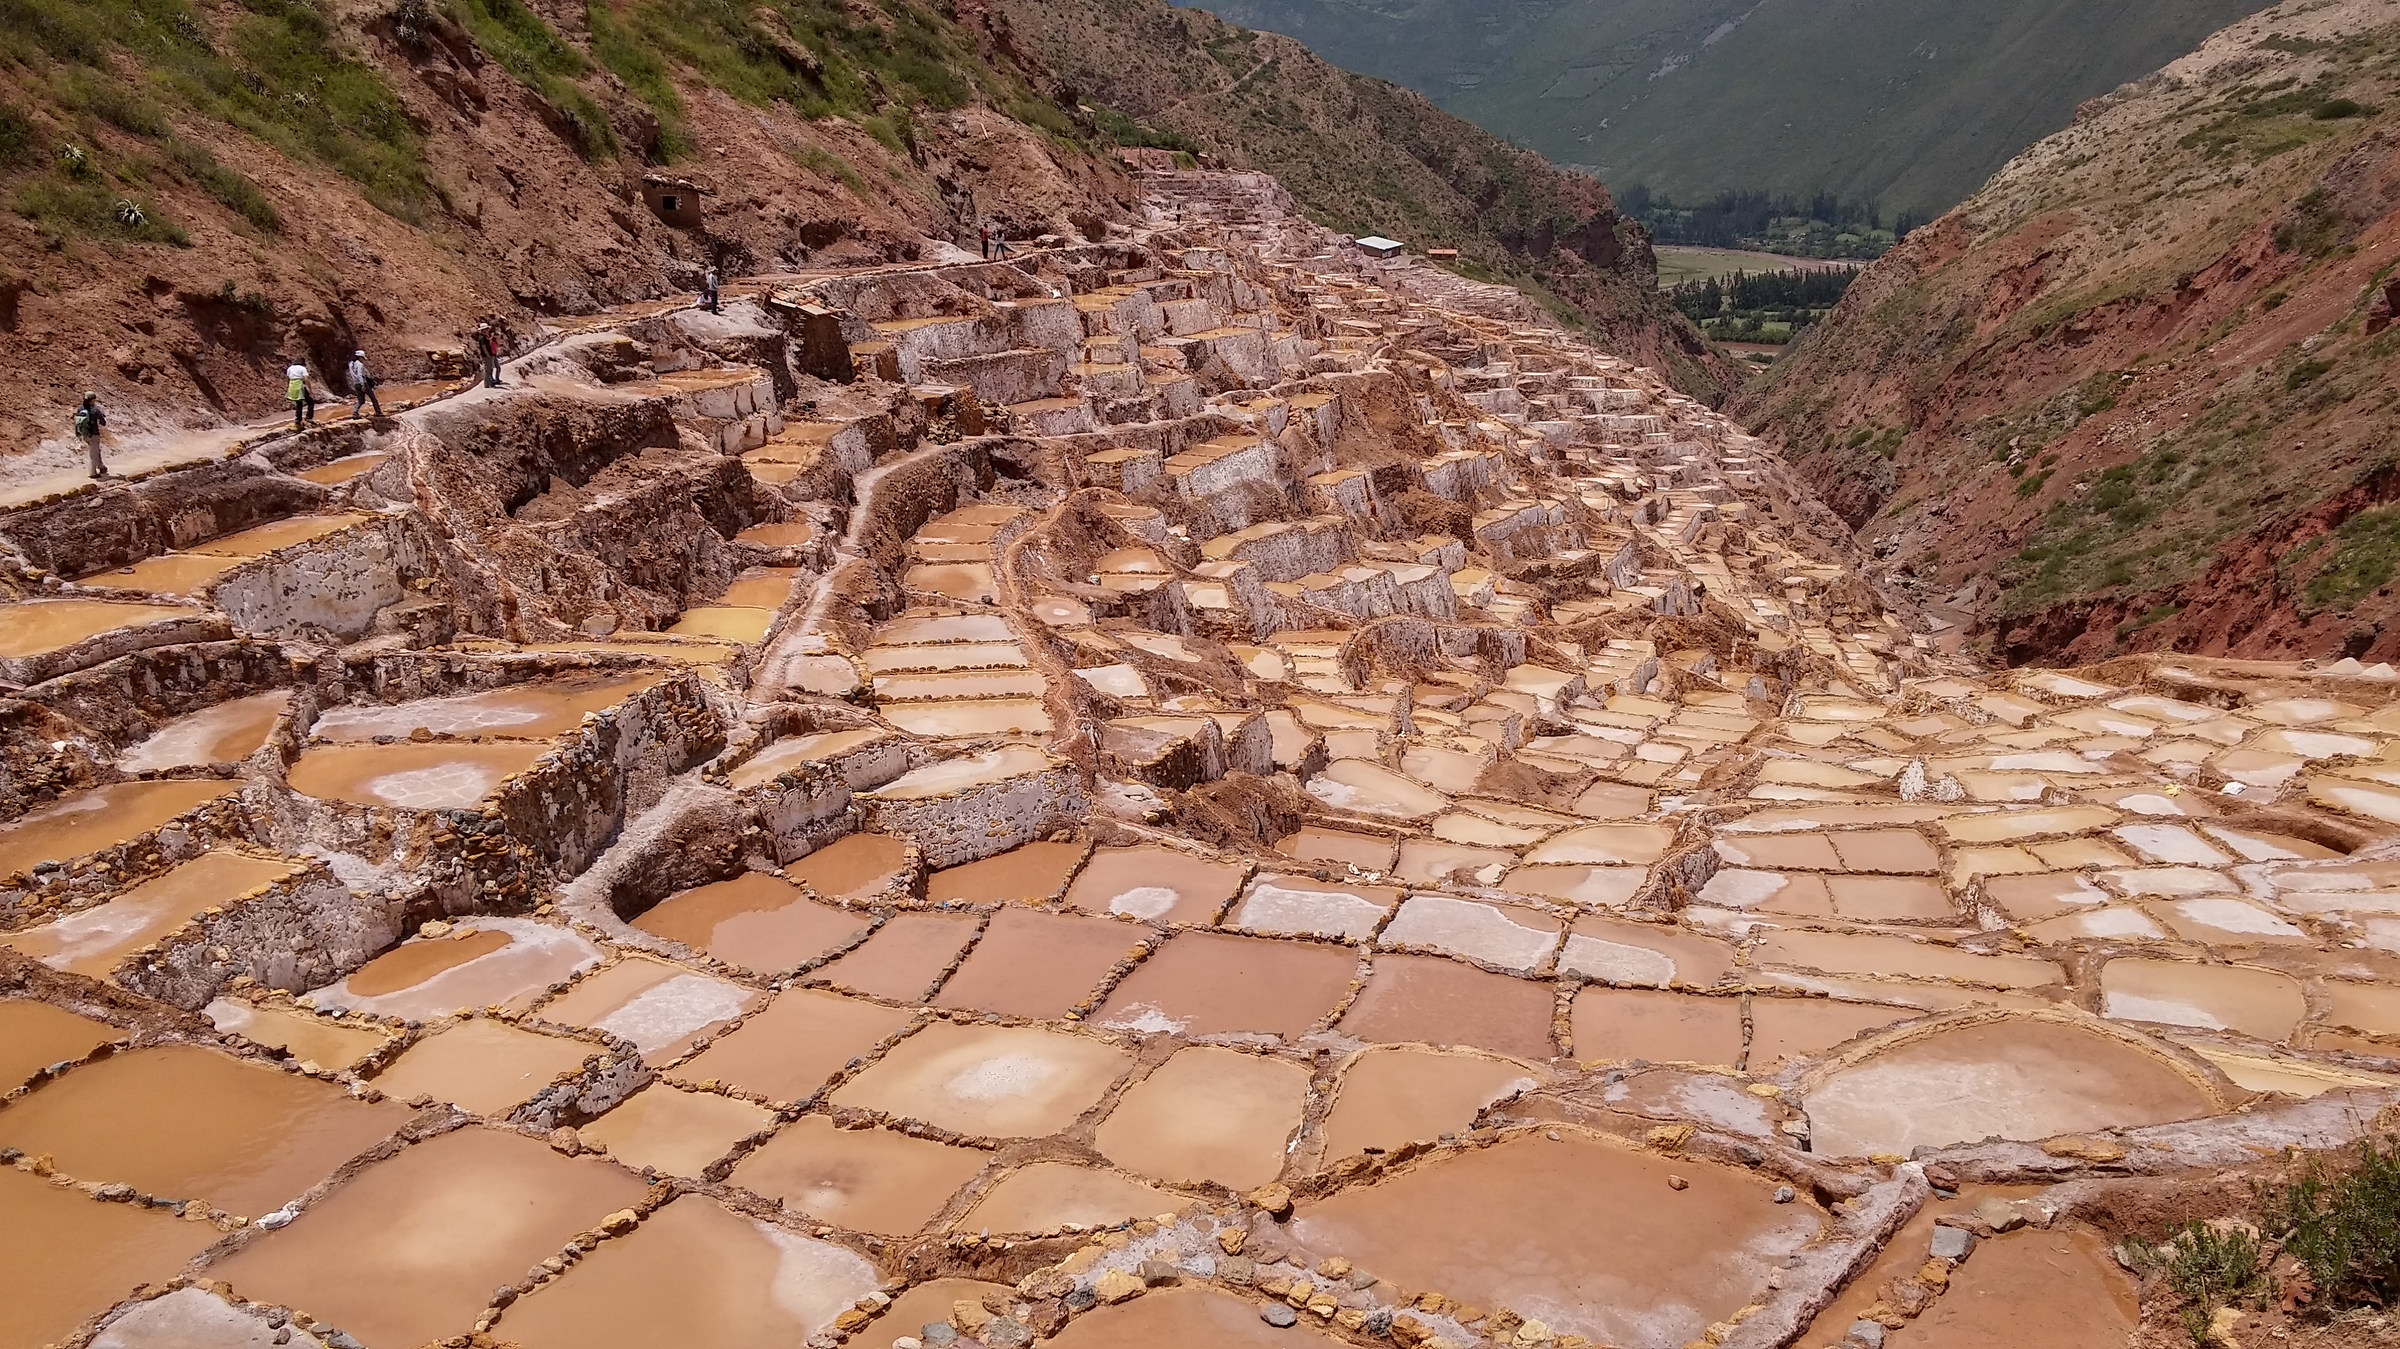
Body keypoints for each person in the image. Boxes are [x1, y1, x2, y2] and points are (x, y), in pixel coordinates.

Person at [73, 392, 107, 479]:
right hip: (94, 434)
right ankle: (93, 473)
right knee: (93, 454)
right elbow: (103, 423)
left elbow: (77, 421)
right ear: (92, 400)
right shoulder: (95, 410)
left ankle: (101, 466)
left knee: (96, 450)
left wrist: (77, 433)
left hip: (85, 434)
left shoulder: (80, 408)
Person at [346, 349, 382, 419]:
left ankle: (355, 412)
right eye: (362, 358)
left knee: (361, 400)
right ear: (360, 357)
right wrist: (363, 384)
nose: (363, 359)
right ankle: (378, 412)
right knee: (373, 398)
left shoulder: (350, 364)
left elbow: (353, 375)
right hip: (363, 383)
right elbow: (359, 374)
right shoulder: (360, 364)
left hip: (356, 384)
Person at [285, 362, 315, 429]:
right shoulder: (302, 368)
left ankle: (298, 420)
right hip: (299, 386)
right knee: (310, 402)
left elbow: (288, 379)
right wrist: (310, 389)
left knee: (299, 404)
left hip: (292, 386)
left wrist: (289, 387)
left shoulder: (290, 368)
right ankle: (309, 418)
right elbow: (306, 379)